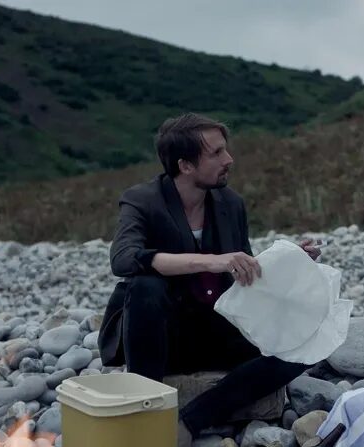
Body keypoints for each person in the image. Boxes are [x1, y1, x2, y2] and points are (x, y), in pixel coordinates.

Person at [98, 113, 322, 445]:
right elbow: (123, 258)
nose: (228, 159)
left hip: (216, 326)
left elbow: (244, 274)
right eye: (216, 153)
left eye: (225, 150)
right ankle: (143, 408)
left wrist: (287, 261)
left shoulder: (231, 203)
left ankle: (190, 422)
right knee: (145, 285)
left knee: (301, 345)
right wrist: (210, 261)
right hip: (161, 335)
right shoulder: (143, 200)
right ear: (185, 165)